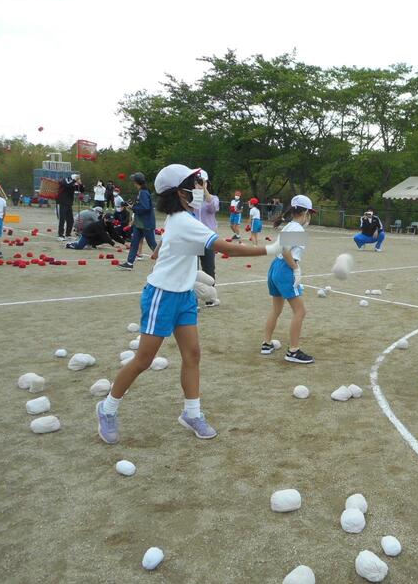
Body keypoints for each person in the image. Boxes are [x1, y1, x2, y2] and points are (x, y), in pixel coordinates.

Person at [95, 164, 281, 445]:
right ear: (179, 192)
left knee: (192, 355)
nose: (198, 188)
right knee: (143, 359)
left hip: (184, 296)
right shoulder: (183, 220)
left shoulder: (181, 218)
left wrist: (169, 256)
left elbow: (171, 246)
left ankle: (191, 413)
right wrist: (270, 249)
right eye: (194, 184)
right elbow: (226, 248)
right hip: (162, 295)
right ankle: (107, 408)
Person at [261, 195, 314, 363]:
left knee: (276, 309)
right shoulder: (297, 229)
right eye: (309, 213)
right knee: (300, 311)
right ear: (304, 212)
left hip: (275, 267)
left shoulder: (289, 226)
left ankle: (266, 344)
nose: (309, 217)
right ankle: (293, 351)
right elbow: (286, 251)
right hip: (285, 269)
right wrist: (296, 269)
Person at [118, 172, 157, 271]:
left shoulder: (143, 192)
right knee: (134, 243)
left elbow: (145, 207)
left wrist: (133, 208)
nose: (133, 182)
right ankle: (129, 263)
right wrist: (133, 206)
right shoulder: (142, 191)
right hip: (139, 223)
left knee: (152, 244)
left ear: (136, 182)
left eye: (134, 181)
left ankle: (165, 262)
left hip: (146, 223)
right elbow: (143, 206)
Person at [193, 170, 220, 283]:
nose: (198, 184)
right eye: (196, 182)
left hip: (208, 238)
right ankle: (191, 292)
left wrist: (204, 189)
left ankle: (210, 292)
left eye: (202, 182)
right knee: (192, 268)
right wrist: (196, 193)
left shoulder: (213, 198)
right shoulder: (191, 197)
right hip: (193, 237)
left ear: (207, 183)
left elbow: (212, 208)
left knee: (209, 269)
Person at [56, 173, 81, 240]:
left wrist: (80, 184)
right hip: (61, 202)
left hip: (69, 204)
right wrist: (75, 180)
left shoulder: (74, 183)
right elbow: (68, 185)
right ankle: (60, 235)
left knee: (70, 220)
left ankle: (68, 234)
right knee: (62, 219)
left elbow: (81, 190)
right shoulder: (65, 180)